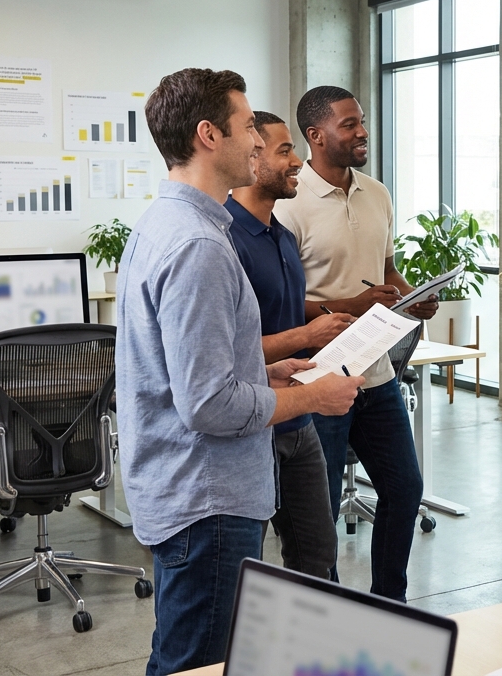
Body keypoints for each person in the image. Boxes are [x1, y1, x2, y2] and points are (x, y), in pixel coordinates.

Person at [117, 68, 364, 676]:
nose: (258, 140)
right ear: (209, 135)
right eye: (250, 125)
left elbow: (193, 369)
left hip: (188, 490)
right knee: (197, 664)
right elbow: (208, 405)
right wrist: (314, 398)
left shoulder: (167, 223)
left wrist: (265, 373)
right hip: (209, 499)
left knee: (183, 656)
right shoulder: (198, 246)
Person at [274, 85, 435, 601]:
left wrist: (412, 297)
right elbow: (281, 302)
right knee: (317, 510)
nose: (363, 131)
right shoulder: (288, 203)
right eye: (349, 124)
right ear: (316, 135)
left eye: (361, 120)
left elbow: (386, 271)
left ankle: (390, 601)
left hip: (377, 373)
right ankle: (332, 608)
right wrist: (351, 305)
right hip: (318, 379)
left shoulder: (378, 193)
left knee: (405, 489)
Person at [226, 110, 357, 580]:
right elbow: (228, 353)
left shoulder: (281, 236)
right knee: (243, 569)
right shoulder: (224, 240)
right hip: (253, 425)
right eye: (285, 151)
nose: (298, 160)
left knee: (318, 558)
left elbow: (285, 311)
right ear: (253, 157)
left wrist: (329, 326)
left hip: (299, 423)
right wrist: (306, 336)